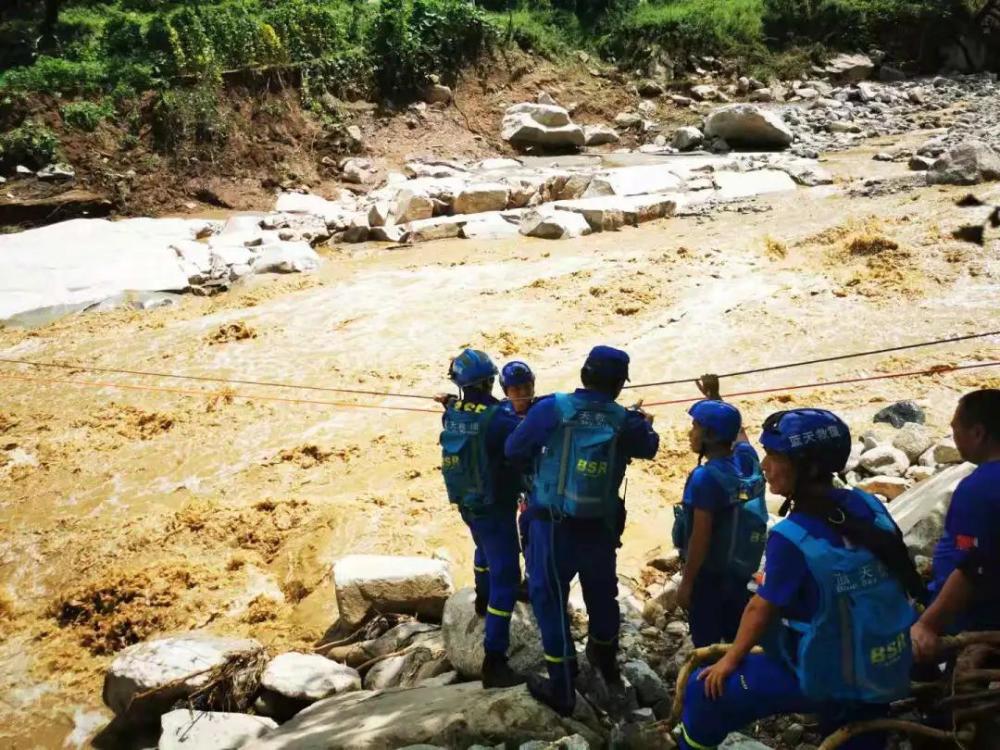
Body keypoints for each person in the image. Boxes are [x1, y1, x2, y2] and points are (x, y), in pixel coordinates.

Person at [679, 408, 921, 750]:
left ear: (807, 467)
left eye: (775, 457)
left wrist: (729, 661)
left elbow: (760, 609)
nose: (765, 466)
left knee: (702, 693)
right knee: (860, 733)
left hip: (828, 672)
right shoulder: (868, 505)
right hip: (881, 662)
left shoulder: (794, 536)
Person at [505, 345, 659, 715]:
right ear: (620, 384)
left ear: (583, 375)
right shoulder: (625, 420)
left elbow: (513, 448)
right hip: (600, 529)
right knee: (602, 597)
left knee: (550, 601)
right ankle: (605, 663)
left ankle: (562, 685)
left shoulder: (551, 407)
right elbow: (650, 448)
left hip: (552, 526)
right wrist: (644, 420)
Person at [439, 348, 526, 687]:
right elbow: (520, 435)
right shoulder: (500, 418)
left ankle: (481, 597)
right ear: (491, 382)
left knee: (482, 548)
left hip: (467, 503)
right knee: (507, 577)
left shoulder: (452, 412)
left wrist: (448, 400)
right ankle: (494, 659)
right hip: (495, 505)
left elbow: (456, 410)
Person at [673, 375, 768, 648]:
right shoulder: (747, 459)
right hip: (740, 572)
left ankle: (709, 687)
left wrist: (687, 583)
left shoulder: (704, 478)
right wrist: (715, 397)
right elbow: (739, 433)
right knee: (736, 637)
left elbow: (700, 538)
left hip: (709, 578)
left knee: (707, 645)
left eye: (696, 427)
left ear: (711, 436)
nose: (691, 433)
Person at [911, 388, 1000, 662]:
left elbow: (974, 567)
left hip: (975, 620)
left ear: (978, 433)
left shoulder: (980, 487)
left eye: (955, 430)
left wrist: (928, 625)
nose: (955, 439)